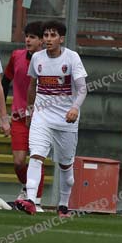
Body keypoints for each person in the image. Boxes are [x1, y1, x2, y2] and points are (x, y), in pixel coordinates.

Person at [17, 20, 88, 218]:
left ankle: (63, 205)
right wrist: (30, 111)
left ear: (61, 38)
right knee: (36, 155)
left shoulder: (72, 58)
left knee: (65, 165)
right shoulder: (37, 58)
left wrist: (75, 108)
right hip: (42, 116)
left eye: (53, 35)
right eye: (46, 35)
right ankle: (31, 200)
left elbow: (82, 88)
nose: (48, 39)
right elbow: (33, 86)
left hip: (66, 119)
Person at [4, 21, 44, 211]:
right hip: (19, 117)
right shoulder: (16, 56)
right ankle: (27, 187)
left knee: (36, 158)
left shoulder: (47, 61)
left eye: (33, 37)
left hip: (41, 118)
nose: (28, 40)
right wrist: (2, 110)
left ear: (42, 41)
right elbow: (5, 81)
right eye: (27, 36)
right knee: (19, 162)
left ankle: (36, 200)